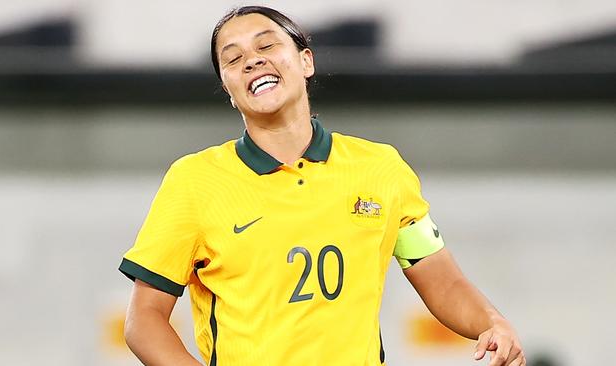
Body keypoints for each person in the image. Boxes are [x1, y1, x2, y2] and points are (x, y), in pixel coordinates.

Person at [119, 5, 526, 366]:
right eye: (234, 58)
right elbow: (144, 320)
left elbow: (441, 277)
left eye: (266, 46)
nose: (252, 62)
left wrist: (493, 323)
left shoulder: (381, 168)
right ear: (228, 89)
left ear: (306, 61)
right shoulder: (195, 181)